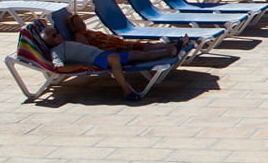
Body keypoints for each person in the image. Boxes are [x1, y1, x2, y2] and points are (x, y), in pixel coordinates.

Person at [39, 20, 187, 102]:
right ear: (49, 41)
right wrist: (79, 65)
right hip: (97, 59)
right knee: (115, 59)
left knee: (138, 54)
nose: (58, 35)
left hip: (103, 54)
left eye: (57, 32)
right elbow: (58, 68)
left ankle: (170, 50)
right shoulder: (56, 51)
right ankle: (126, 91)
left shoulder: (67, 42)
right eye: (54, 35)